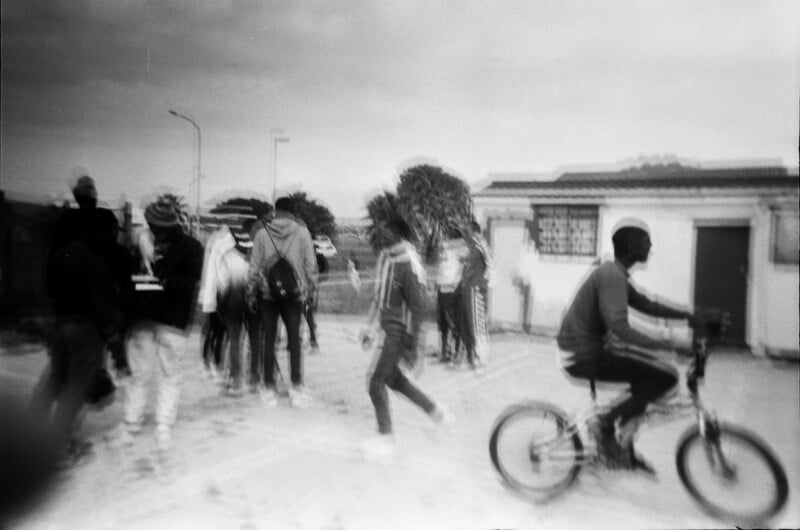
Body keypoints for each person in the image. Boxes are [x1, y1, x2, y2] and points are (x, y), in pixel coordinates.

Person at [557, 219, 701, 474]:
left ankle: (621, 446)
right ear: (631, 246)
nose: (651, 246)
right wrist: (671, 345)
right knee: (664, 377)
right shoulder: (611, 275)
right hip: (583, 355)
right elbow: (620, 328)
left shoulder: (616, 274)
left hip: (591, 350)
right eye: (646, 241)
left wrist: (692, 316)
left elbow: (649, 305)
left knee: (656, 375)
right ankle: (605, 424)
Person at [359, 216, 454, 461]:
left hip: (398, 333)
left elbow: (419, 310)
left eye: (386, 231)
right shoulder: (386, 258)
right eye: (380, 231)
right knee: (394, 381)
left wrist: (415, 348)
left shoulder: (410, 264)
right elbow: (379, 298)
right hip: (386, 329)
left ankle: (386, 439)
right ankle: (436, 412)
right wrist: (369, 327)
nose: (380, 236)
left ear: (399, 234)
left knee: (375, 382)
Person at [38, 220, 131, 461]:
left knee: (54, 381)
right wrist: (117, 350)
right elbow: (102, 309)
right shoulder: (95, 263)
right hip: (86, 331)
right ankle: (59, 447)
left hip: (60, 325)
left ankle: (31, 432)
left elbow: (48, 292)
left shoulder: (59, 255)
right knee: (76, 389)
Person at [117, 198, 203, 451]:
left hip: (167, 319)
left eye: (160, 226)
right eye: (155, 225)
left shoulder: (189, 247)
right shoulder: (141, 243)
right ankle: (138, 422)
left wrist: (162, 278)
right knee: (145, 374)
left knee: (165, 374)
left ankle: (159, 424)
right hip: (150, 318)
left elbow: (190, 284)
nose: (157, 230)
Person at [247, 197, 318, 408]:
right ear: (293, 213)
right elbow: (310, 265)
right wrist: (310, 289)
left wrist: (251, 291)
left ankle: (269, 388)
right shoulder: (302, 233)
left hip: (268, 295)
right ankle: (296, 387)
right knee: (294, 341)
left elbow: (254, 266)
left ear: (275, 212)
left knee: (269, 340)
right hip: (294, 296)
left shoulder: (262, 234)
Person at [199, 222, 261, 395]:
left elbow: (222, 283)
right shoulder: (259, 252)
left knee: (235, 341)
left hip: (233, 301)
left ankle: (236, 381)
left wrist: (219, 304)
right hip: (255, 300)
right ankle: (254, 379)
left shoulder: (226, 253)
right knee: (255, 341)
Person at [457, 220, 493, 371]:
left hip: (476, 288)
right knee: (466, 323)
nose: (464, 234)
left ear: (474, 231)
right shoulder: (470, 245)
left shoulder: (481, 244)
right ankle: (471, 356)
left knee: (477, 324)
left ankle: (481, 358)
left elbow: (491, 265)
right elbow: (468, 263)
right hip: (467, 287)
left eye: (467, 231)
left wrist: (482, 283)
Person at [435, 232, 467, 363]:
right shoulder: (443, 249)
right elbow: (435, 260)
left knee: (454, 323)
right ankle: (446, 351)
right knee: (443, 323)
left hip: (454, 289)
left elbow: (465, 260)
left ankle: (459, 351)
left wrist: (451, 245)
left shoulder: (462, 249)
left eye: (448, 235)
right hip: (442, 288)